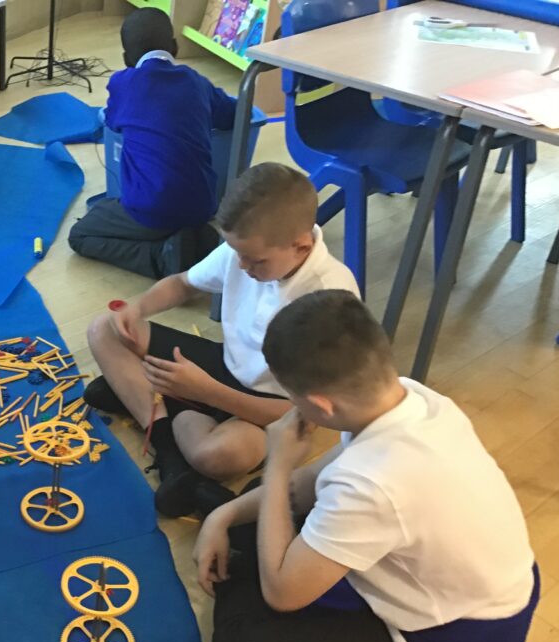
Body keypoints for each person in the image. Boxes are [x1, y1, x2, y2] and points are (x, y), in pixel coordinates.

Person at [193, 290, 537, 642]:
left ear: (319, 405)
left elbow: (283, 594)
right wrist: (224, 515)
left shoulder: (375, 482)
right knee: (263, 517)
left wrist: (277, 464)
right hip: (474, 596)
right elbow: (310, 485)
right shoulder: (411, 396)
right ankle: (228, 528)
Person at [85, 163, 359, 517]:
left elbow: (305, 415)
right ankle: (170, 452)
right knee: (104, 329)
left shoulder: (330, 298)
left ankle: (157, 405)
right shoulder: (248, 247)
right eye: (236, 253)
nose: (241, 266)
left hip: (269, 402)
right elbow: (183, 283)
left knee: (220, 455)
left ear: (301, 246)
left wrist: (204, 391)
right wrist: (137, 308)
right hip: (224, 367)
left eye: (255, 260)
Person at [67, 7, 237, 279]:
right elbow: (231, 114)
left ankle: (161, 257)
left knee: (80, 234)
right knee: (165, 210)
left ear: (126, 59)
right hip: (203, 205)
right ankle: (193, 236)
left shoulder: (123, 83)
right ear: (175, 47)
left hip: (150, 209)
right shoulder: (197, 82)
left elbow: (111, 121)